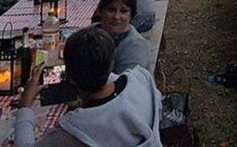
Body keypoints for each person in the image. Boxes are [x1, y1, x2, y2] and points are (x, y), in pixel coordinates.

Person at [15, 26, 162, 147]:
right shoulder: (141, 79)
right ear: (112, 62)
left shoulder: (75, 131)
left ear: (70, 75)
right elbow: (108, 78)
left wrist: (25, 106)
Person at [95, 0, 153, 74]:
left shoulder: (135, 48)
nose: (116, 17)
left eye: (123, 11)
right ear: (100, 11)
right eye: (111, 10)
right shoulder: (90, 33)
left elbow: (126, 85)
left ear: (131, 15)